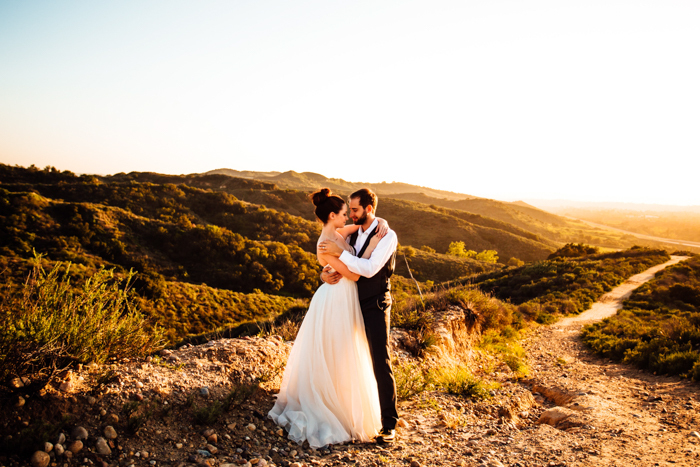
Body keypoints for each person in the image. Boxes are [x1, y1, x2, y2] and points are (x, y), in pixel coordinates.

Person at [268, 188, 388, 448]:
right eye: (344, 214)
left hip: (343, 297)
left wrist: (381, 222)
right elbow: (355, 275)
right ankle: (332, 406)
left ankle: (343, 401)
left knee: (342, 352)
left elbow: (354, 231)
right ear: (332, 215)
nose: (347, 218)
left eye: (350, 213)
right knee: (337, 352)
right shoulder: (325, 243)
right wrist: (373, 247)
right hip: (336, 299)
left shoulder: (335, 233)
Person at [318, 188, 399, 444]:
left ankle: (389, 425)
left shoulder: (386, 235)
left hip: (375, 303)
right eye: (349, 210)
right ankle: (348, 415)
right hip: (350, 303)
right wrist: (324, 272)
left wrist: (339, 254)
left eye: (355, 210)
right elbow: (330, 252)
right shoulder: (354, 233)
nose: (351, 214)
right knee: (348, 357)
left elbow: (369, 268)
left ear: (369, 209)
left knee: (379, 360)